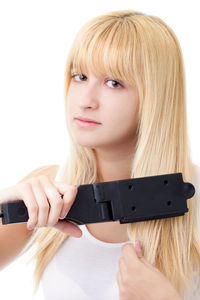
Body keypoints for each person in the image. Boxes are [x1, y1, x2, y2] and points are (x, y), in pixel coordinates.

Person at [0, 9, 200, 300]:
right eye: (80, 76)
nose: (85, 100)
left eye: (114, 83)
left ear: (154, 97)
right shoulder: (46, 189)